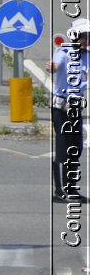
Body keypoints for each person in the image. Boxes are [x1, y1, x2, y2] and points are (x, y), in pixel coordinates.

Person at [47, 20, 90, 202]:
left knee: (76, 147)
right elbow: (55, 66)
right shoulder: (64, 53)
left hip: (75, 107)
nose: (87, 40)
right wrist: (52, 67)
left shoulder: (87, 56)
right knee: (63, 148)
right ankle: (59, 191)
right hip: (60, 107)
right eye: (84, 37)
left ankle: (71, 188)